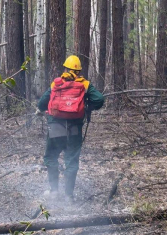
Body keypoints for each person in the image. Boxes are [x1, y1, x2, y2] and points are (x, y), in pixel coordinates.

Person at [37, 55, 104, 204]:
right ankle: (69, 197)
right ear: (79, 71)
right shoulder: (85, 85)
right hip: (74, 130)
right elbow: (99, 99)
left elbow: (41, 104)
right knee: (71, 161)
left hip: (55, 128)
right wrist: (88, 106)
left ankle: (54, 192)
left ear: (66, 68)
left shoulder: (56, 84)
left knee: (51, 158)